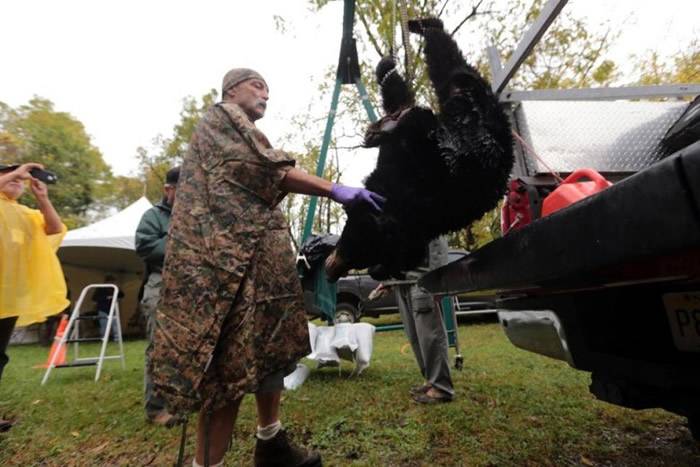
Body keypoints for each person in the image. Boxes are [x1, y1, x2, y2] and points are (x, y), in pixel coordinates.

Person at [149, 68, 384, 467]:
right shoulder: (221, 120)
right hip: (229, 276)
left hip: (258, 271)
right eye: (257, 86)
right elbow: (265, 167)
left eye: (268, 90)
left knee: (270, 349)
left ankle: (270, 442)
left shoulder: (241, 130)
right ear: (231, 89)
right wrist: (334, 189)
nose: (265, 95)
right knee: (229, 368)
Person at [0, 162, 69, 430]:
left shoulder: (25, 213)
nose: (18, 178)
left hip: (8, 299)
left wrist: (43, 199)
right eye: (7, 173)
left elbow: (53, 229)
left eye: (20, 175)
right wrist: (14, 175)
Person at [135, 165, 179, 424]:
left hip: (191, 290)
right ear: (168, 189)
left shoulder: (197, 216)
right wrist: (180, 241)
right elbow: (145, 245)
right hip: (160, 285)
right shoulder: (153, 216)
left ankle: (179, 401)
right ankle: (156, 408)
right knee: (160, 348)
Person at [394, 237, 455, 404]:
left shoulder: (424, 211)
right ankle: (431, 380)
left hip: (422, 281)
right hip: (402, 282)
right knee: (416, 337)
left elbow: (438, 241)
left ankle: (441, 388)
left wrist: (438, 279)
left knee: (430, 336)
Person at [92, 274, 124, 341]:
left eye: (113, 281)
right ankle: (103, 339)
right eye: (111, 281)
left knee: (115, 325)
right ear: (106, 281)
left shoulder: (115, 289)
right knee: (104, 325)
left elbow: (122, 295)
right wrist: (106, 298)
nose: (112, 283)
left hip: (113, 309)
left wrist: (119, 289)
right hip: (103, 309)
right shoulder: (100, 288)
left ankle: (117, 339)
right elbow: (94, 298)